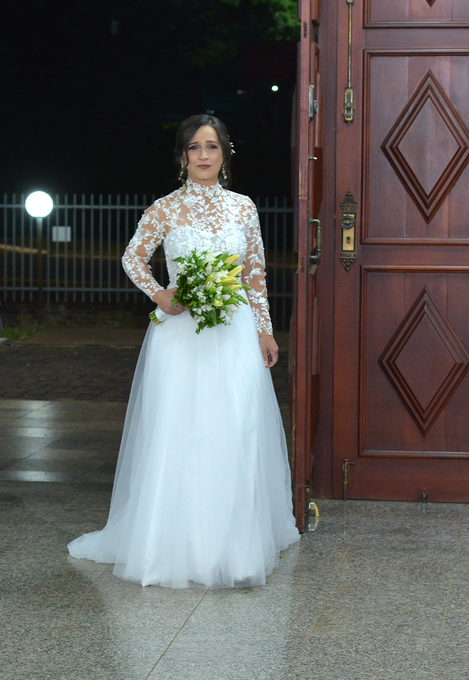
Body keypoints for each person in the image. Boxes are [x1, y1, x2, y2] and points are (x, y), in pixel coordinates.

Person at [68, 114, 299, 588]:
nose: (203, 155)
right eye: (194, 147)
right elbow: (132, 256)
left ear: (224, 154)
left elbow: (254, 274)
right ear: (182, 157)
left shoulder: (243, 208)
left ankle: (234, 548)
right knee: (181, 431)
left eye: (211, 146)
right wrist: (159, 294)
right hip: (180, 337)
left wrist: (265, 331)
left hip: (233, 333)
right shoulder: (166, 208)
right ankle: (171, 545)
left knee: (234, 429)